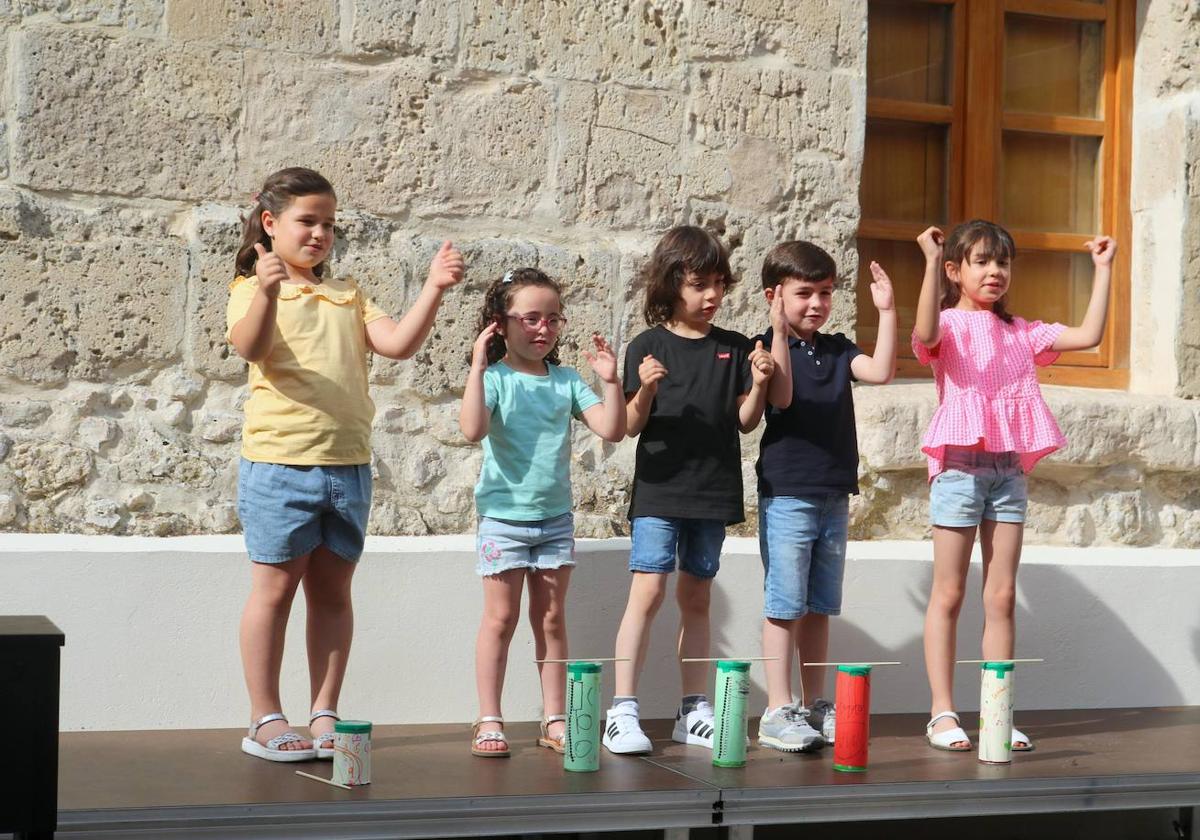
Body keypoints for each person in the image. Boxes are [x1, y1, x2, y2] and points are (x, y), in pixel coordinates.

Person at [228, 167, 463, 761]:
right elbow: (251, 347)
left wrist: (433, 287)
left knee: (333, 595)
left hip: (347, 467)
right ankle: (265, 717)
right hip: (281, 465)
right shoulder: (251, 288)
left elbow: (398, 344)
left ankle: (323, 712)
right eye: (307, 221)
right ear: (270, 223)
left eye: (328, 224)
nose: (319, 234)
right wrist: (267, 290)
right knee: (275, 591)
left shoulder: (348, 294)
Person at [914, 219, 1116, 752]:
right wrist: (930, 263)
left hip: (1007, 473)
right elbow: (927, 336)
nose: (995, 272)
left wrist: (1103, 269)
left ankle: (997, 711)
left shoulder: (1020, 331)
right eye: (982, 261)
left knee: (1001, 594)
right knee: (950, 592)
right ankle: (941, 713)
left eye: (1002, 262)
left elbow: (1089, 335)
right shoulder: (949, 325)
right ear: (957, 270)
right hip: (958, 468)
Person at [603, 226, 780, 755]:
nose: (712, 296)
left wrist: (763, 381)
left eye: (719, 285)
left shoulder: (735, 347)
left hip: (712, 490)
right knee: (649, 592)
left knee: (696, 597)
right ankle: (622, 709)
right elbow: (632, 425)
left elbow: (745, 422)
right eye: (700, 284)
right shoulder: (648, 344)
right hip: (659, 489)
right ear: (671, 283)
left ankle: (692, 710)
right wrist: (648, 388)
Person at [460, 267, 626, 757]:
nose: (542, 329)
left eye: (553, 319)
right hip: (503, 520)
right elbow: (472, 429)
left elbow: (612, 429)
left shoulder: (567, 381)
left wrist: (612, 382)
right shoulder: (495, 378)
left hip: (554, 521)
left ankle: (555, 717)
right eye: (530, 318)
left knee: (551, 620)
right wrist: (475, 366)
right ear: (501, 324)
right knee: (501, 619)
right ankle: (489, 717)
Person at [753, 241, 897, 752]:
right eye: (804, 293)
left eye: (826, 293)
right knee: (784, 603)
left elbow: (880, 372)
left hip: (834, 494)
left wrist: (886, 312)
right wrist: (777, 330)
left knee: (817, 606)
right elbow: (783, 397)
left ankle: (815, 704)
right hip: (788, 493)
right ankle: (777, 707)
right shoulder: (766, 348)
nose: (816, 303)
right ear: (776, 296)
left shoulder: (836, 348)